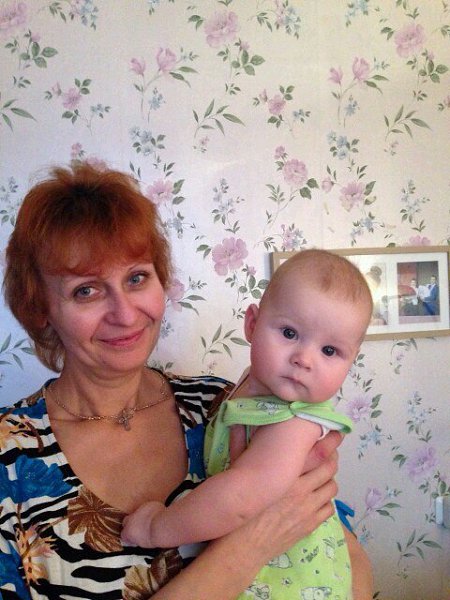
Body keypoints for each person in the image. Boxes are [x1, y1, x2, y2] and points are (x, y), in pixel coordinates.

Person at [0, 163, 373, 600]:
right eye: (87, 290)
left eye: (136, 278)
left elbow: (348, 560)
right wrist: (248, 547)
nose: (125, 313)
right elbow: (269, 522)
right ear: (41, 308)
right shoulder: (10, 459)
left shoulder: (221, 404)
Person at [122, 249, 374, 599]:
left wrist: (156, 527)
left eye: (329, 351)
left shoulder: (295, 422)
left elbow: (239, 499)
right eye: (289, 333)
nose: (304, 359)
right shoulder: (249, 389)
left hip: (295, 588)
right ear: (252, 324)